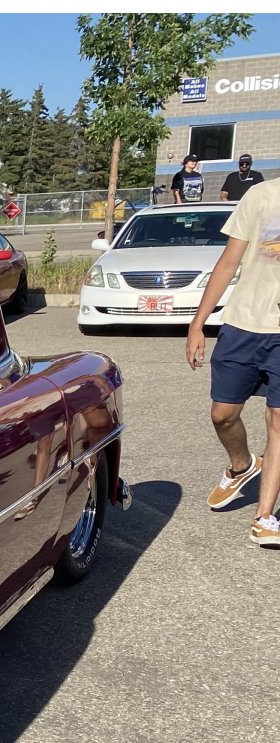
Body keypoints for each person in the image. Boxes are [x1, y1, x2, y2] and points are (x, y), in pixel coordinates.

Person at [185, 175, 280, 548]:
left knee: (277, 420)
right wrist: (197, 324)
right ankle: (242, 465)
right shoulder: (261, 195)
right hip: (243, 325)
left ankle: (264, 516)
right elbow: (228, 262)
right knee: (222, 414)